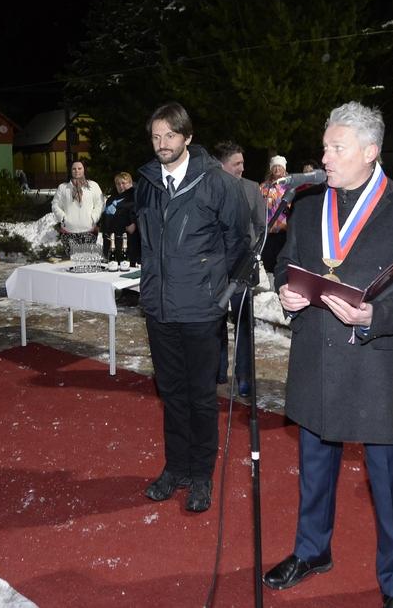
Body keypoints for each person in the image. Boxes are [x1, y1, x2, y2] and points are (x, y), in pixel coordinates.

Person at [262, 102, 393, 607]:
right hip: (316, 357)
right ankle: (311, 551)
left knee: (388, 484)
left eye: (336, 148)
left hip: (375, 361)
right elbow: (286, 264)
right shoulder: (308, 204)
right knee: (314, 470)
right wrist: (286, 291)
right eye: (325, 147)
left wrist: (375, 315)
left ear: (369, 152)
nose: (324, 157)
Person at [135, 102, 249, 513]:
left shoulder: (217, 182)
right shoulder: (147, 181)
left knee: (201, 397)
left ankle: (201, 475)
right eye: (156, 136)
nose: (162, 144)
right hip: (160, 309)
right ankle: (176, 468)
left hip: (201, 310)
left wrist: (218, 291)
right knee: (171, 394)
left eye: (170, 135)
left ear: (187, 136)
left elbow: (239, 242)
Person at [214, 141, 267, 396]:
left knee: (244, 324)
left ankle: (244, 376)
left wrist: (252, 254)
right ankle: (217, 371)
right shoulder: (209, 188)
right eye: (237, 164)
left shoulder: (251, 188)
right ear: (221, 164)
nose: (242, 168)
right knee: (215, 322)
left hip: (243, 269)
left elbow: (261, 225)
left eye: (243, 163)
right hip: (215, 270)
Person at [52, 160, 105, 256]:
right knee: (71, 261)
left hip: (89, 231)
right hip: (68, 232)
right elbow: (55, 205)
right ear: (70, 170)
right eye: (74, 169)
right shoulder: (63, 187)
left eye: (79, 168)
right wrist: (63, 218)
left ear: (84, 170)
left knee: (86, 260)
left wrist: (94, 218)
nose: (77, 171)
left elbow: (100, 203)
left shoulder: (93, 186)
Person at [98, 172, 138, 271]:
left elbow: (139, 213)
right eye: (118, 184)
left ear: (130, 183)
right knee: (112, 268)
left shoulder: (135, 197)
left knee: (126, 269)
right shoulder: (111, 199)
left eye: (123, 183)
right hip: (111, 241)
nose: (120, 186)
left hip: (126, 241)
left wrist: (134, 223)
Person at [259, 155, 290, 276]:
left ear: (284, 168)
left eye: (280, 166)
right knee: (268, 263)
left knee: (282, 263)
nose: (277, 169)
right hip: (268, 231)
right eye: (275, 166)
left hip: (284, 231)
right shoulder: (264, 187)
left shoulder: (289, 186)